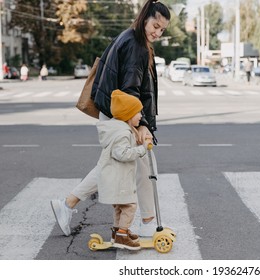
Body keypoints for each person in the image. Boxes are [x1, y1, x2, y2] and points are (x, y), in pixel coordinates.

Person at [50, 0, 171, 237]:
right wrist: (142, 124)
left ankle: (67, 204)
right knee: (140, 164)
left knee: (115, 164)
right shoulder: (136, 45)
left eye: (162, 29)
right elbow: (131, 88)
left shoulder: (130, 38)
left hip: (117, 112)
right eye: (155, 25)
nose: (157, 32)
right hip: (124, 115)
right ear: (145, 17)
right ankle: (147, 222)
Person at [97, 89, 152, 250]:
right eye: (138, 113)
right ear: (128, 115)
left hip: (115, 177)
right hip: (119, 179)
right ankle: (122, 235)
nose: (141, 116)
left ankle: (118, 232)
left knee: (120, 207)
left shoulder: (118, 129)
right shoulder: (122, 133)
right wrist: (143, 148)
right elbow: (122, 154)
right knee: (129, 206)